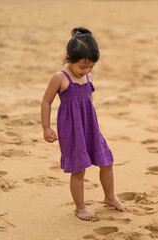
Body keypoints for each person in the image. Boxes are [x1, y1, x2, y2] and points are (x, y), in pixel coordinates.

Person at [41, 27, 128, 221]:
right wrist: (46, 127)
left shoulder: (88, 76)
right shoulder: (60, 78)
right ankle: (80, 208)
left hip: (90, 128)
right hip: (72, 131)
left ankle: (109, 197)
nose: (86, 71)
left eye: (90, 67)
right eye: (82, 67)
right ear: (68, 58)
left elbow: (87, 103)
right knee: (78, 169)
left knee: (107, 161)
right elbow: (46, 101)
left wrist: (92, 124)